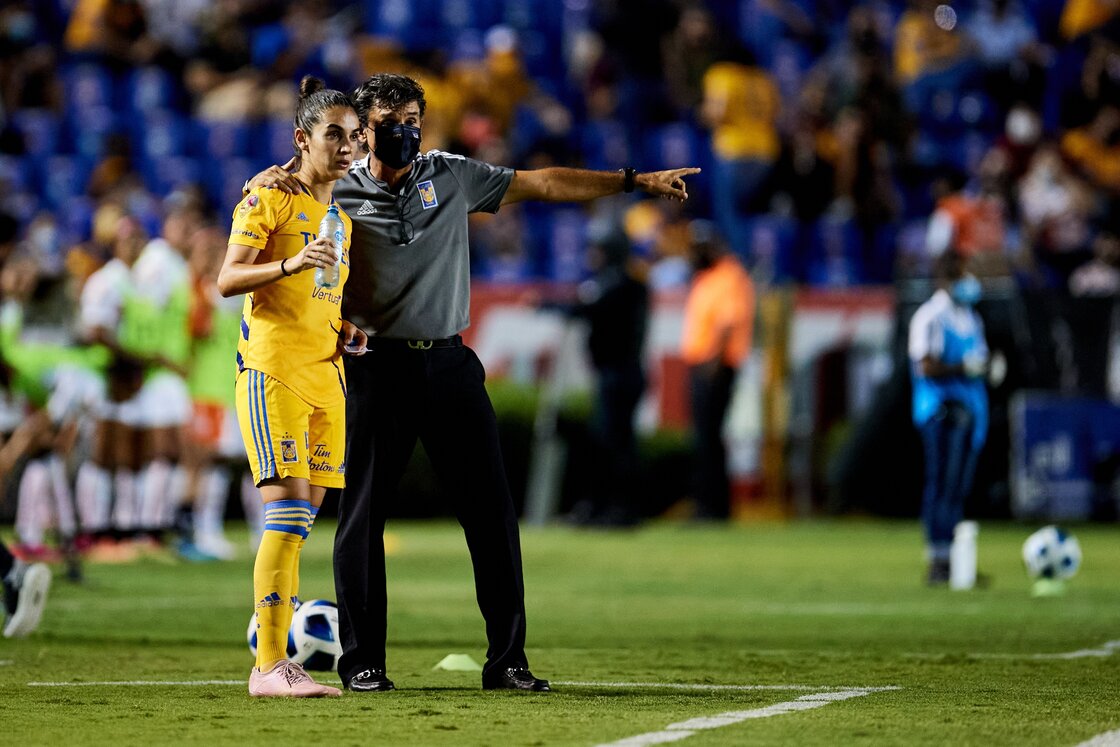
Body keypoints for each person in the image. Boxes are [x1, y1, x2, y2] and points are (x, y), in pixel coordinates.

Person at [246, 72, 699, 694]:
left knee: (491, 514)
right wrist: (276, 170)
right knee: (363, 518)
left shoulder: (450, 174)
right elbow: (298, 176)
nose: (403, 134)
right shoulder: (335, 188)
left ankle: (508, 661)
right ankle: (362, 664)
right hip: (375, 363)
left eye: (412, 122)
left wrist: (631, 181)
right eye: (388, 124)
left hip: (450, 365)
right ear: (364, 127)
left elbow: (540, 183)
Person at [218, 76, 365, 699]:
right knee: (284, 515)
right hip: (273, 370)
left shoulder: (342, 219)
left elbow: (321, 293)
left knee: (302, 517)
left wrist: (345, 326)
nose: (348, 147)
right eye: (334, 135)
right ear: (303, 140)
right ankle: (270, 666)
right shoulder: (267, 200)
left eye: (355, 137)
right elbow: (227, 280)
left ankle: (275, 635)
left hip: (325, 376)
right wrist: (290, 263)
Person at [908, 250, 989, 585]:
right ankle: (937, 559)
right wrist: (962, 368)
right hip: (941, 410)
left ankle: (957, 561)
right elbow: (925, 366)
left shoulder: (970, 317)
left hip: (970, 410)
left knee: (957, 488)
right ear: (947, 278)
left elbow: (978, 360)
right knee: (941, 484)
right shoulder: (930, 317)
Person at [566, 227, 649, 527]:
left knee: (615, 443)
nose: (593, 256)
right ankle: (610, 507)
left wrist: (545, 306)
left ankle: (620, 508)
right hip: (619, 372)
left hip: (619, 373)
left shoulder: (620, 285)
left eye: (599, 250)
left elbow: (587, 308)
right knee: (615, 441)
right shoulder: (629, 284)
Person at [679, 220, 755, 520]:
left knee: (709, 438)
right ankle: (708, 505)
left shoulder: (729, 275)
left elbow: (726, 324)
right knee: (705, 437)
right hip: (705, 364)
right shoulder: (708, 276)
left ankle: (713, 508)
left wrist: (711, 366)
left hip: (716, 366)